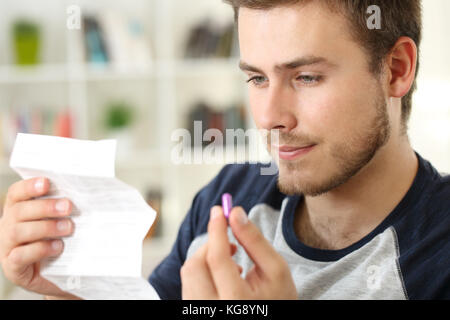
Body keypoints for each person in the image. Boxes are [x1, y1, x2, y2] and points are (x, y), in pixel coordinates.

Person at [0, 0, 448, 300]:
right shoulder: (227, 195)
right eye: (256, 78)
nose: (270, 116)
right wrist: (75, 286)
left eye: (306, 77)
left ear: (395, 70)